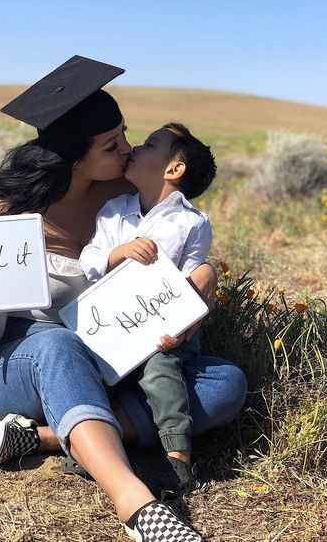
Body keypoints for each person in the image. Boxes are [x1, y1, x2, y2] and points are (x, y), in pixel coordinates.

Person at [0, 55, 246, 542]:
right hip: (22, 366)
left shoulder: (123, 196)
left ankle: (44, 437)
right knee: (53, 340)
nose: (127, 150)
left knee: (225, 382)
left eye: (127, 135)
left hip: (115, 360)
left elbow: (179, 229)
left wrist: (204, 272)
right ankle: (137, 504)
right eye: (112, 144)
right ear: (72, 156)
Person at [79, 122, 216, 494]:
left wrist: (184, 317)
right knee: (94, 370)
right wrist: (118, 253)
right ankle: (93, 443)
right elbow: (89, 257)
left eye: (150, 144)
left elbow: (193, 281)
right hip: (113, 325)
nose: (135, 147)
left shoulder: (191, 222)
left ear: (173, 169)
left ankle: (177, 456)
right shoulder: (114, 210)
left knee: (160, 368)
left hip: (161, 332)